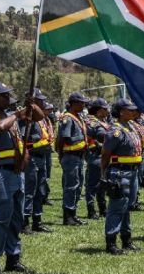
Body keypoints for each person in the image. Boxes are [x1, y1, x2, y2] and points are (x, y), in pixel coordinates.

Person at [0, 82, 40, 274]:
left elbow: (39, 116)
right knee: (1, 218)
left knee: (17, 218)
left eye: (8, 95)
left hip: (16, 172)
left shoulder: (10, 117)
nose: (7, 98)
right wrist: (17, 115)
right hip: (1, 173)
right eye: (3, 96)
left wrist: (32, 105)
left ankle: (13, 259)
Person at [102, 98, 143, 255]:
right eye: (129, 110)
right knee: (117, 207)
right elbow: (105, 154)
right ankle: (111, 242)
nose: (133, 112)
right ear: (121, 112)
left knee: (127, 206)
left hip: (132, 172)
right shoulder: (116, 131)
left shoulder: (131, 127)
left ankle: (126, 239)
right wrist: (104, 174)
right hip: (120, 172)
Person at [21, 89, 53, 234]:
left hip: (42, 157)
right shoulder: (26, 116)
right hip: (31, 157)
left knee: (40, 190)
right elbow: (21, 138)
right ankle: (24, 221)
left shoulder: (41, 118)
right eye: (39, 100)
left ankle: (37, 221)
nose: (43, 102)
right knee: (29, 191)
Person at [56, 92, 90, 226]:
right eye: (81, 103)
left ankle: (73, 214)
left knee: (77, 185)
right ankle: (68, 216)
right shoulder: (68, 118)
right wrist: (61, 154)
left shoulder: (78, 117)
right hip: (71, 156)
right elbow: (64, 138)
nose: (83, 105)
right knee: (70, 186)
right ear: (73, 104)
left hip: (79, 156)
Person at [82, 98, 111, 220]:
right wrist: (99, 145)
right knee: (92, 185)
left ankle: (103, 208)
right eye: (105, 109)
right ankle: (91, 210)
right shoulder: (91, 122)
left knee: (102, 184)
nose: (108, 111)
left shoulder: (103, 121)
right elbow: (86, 139)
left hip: (105, 157)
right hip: (95, 156)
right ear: (99, 111)